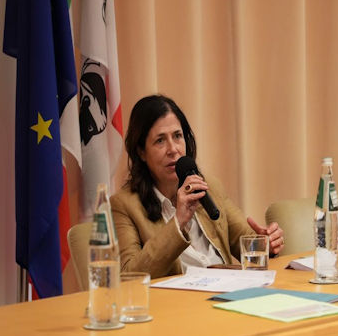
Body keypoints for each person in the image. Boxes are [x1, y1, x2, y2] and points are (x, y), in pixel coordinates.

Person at [111, 95, 285, 278]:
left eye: (177, 136)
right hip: (178, 296)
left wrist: (266, 243)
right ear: (141, 152)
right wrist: (178, 222)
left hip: (228, 288)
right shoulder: (123, 205)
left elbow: (246, 243)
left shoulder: (208, 186)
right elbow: (129, 276)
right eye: (160, 140)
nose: (173, 149)